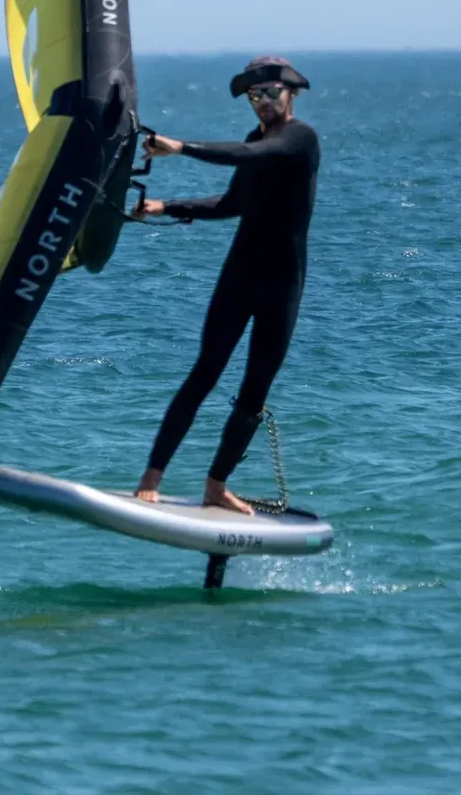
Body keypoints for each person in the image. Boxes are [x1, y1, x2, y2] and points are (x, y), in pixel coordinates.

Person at [131, 56, 321, 514]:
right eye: (254, 96)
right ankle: (151, 477)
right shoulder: (255, 139)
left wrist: (180, 148)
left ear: (289, 93)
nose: (263, 102)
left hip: (282, 286)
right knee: (204, 373)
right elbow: (234, 203)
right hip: (240, 275)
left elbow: (252, 156)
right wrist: (165, 207)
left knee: (255, 390)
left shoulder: (300, 140)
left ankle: (216, 484)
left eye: (270, 92)